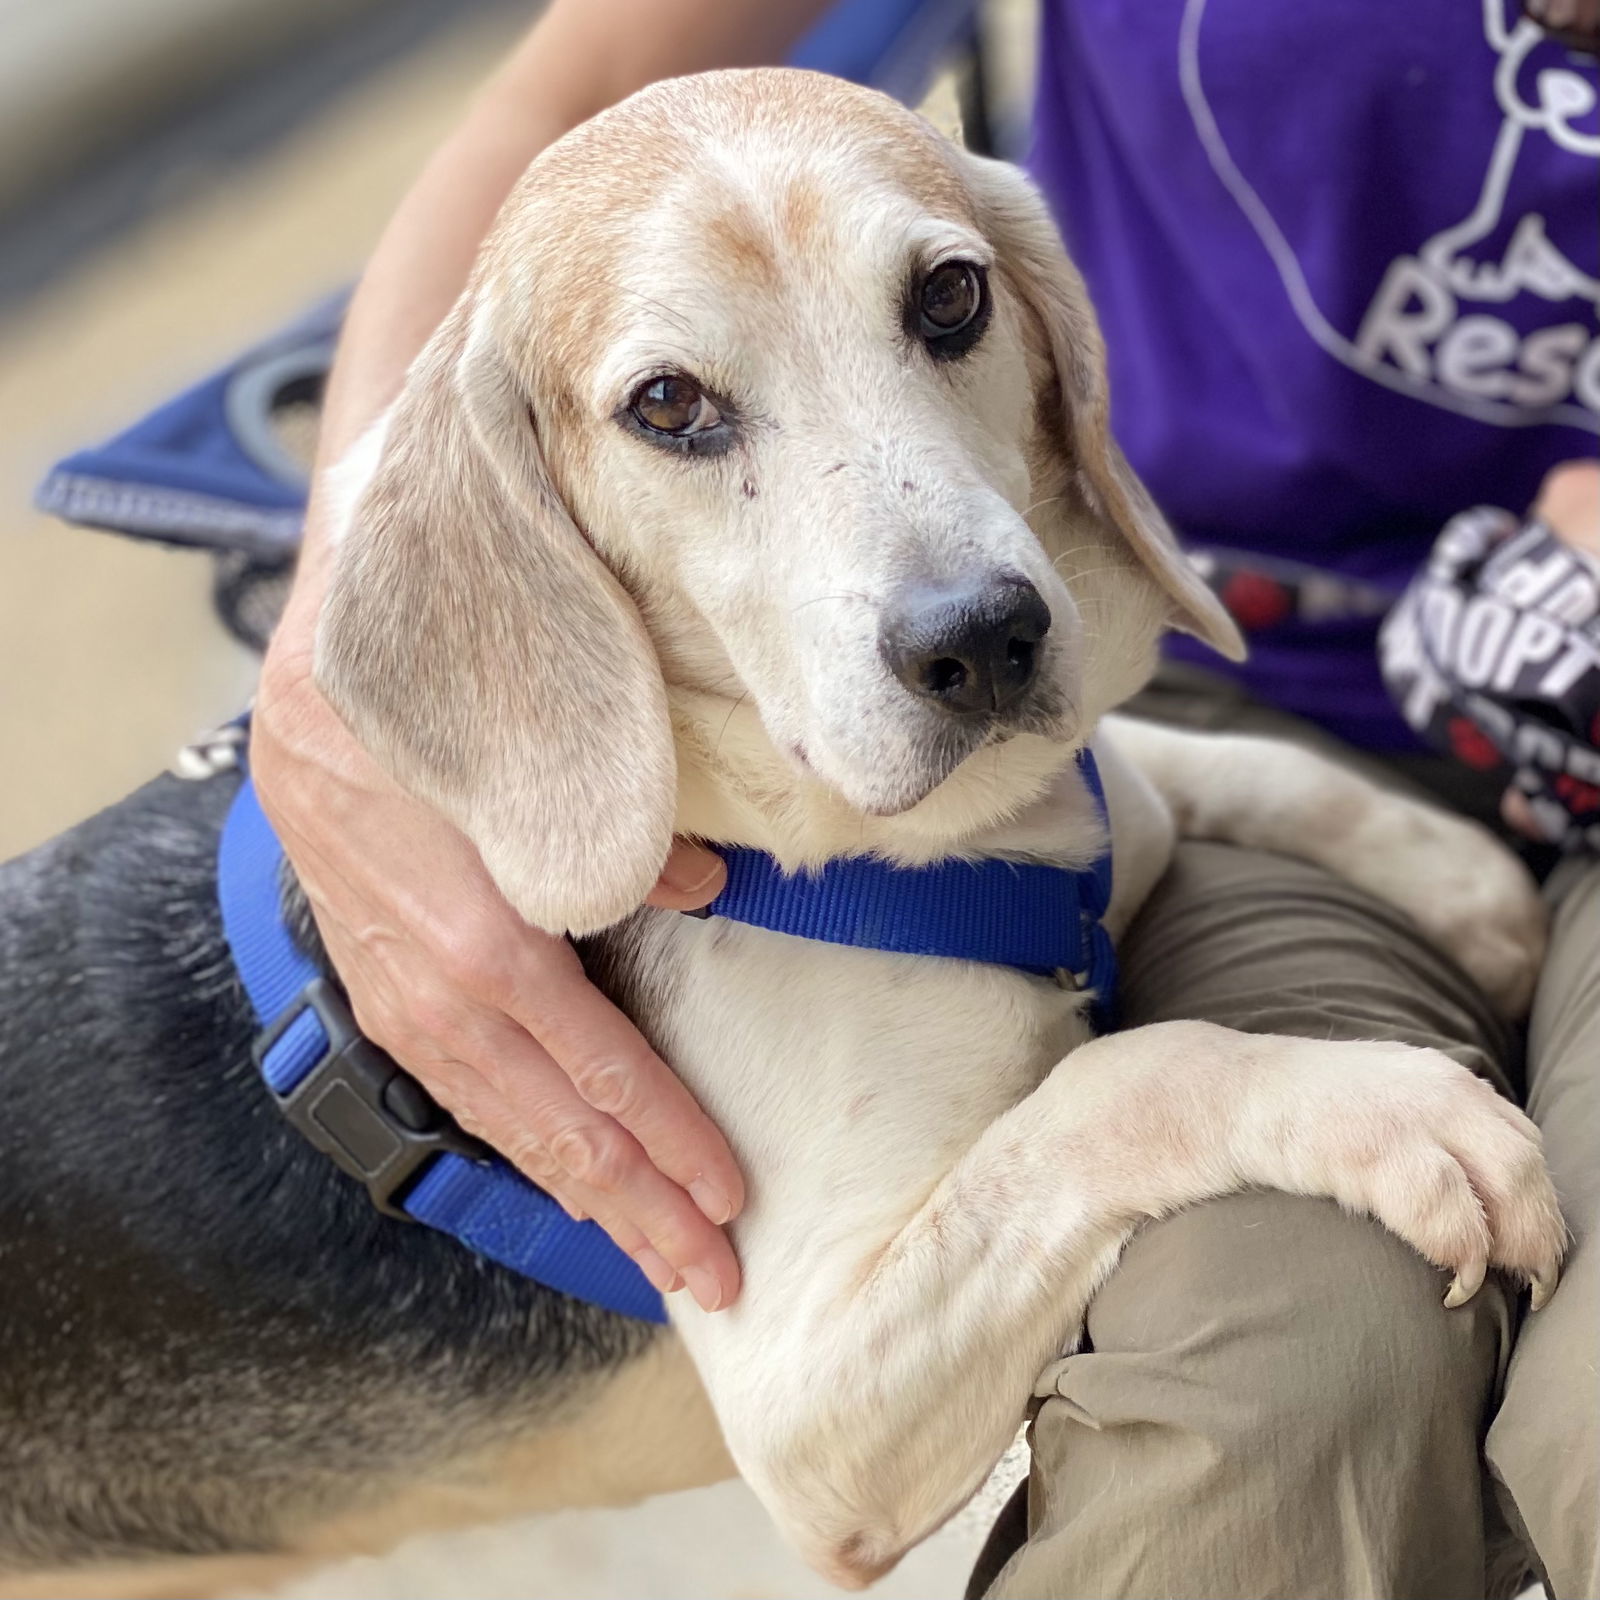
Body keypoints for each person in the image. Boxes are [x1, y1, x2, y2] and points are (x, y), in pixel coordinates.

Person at [251, 1, 1600, 1594]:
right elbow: (593, 81)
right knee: (1277, 1410)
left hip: (1184, 726)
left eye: (942, 305)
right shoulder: (776, 839)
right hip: (1238, 684)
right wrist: (347, 660)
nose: (949, 589)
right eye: (675, 408)